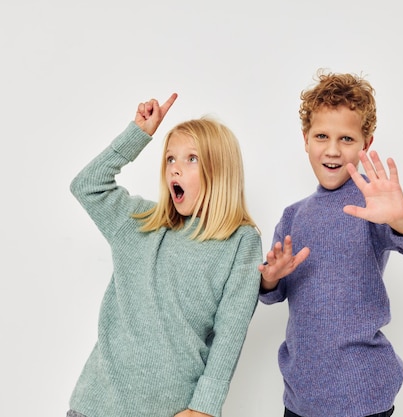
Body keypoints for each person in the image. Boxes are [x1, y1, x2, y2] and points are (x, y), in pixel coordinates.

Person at [67, 93, 263, 417]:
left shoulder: (240, 242)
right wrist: (138, 135)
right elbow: (86, 185)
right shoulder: (139, 222)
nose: (175, 169)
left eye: (191, 159)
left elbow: (230, 334)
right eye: (170, 159)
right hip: (95, 407)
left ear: (220, 169)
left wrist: (204, 408)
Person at [258, 70, 403, 417]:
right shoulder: (293, 215)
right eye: (322, 136)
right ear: (305, 139)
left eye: (347, 139)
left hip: (364, 397)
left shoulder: (373, 203)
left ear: (366, 143)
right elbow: (271, 295)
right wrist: (270, 277)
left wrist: (402, 219)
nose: (333, 150)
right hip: (301, 398)